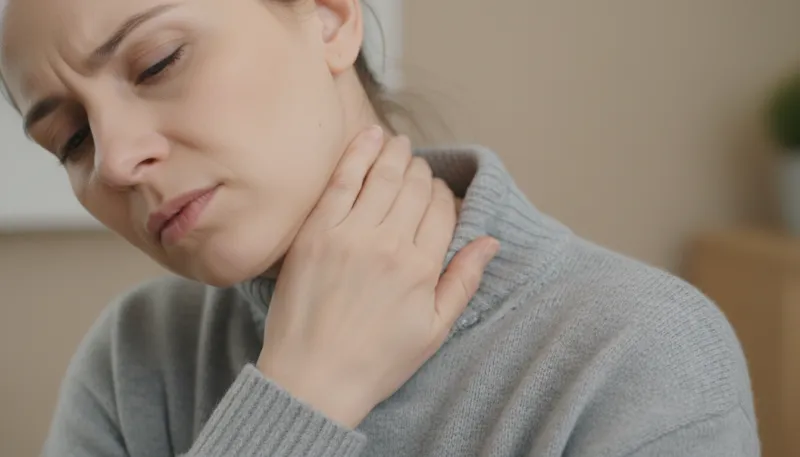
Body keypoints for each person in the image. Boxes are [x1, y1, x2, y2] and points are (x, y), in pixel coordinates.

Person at [0, 0, 760, 455]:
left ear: (329, 16)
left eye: (159, 62)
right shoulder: (135, 361)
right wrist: (300, 394)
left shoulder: (636, 349)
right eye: (71, 140)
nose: (118, 161)